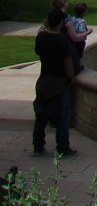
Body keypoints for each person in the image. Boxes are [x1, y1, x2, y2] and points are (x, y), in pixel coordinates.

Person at [32, 8, 77, 158]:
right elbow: (68, 63)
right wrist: (71, 78)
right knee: (62, 116)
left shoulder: (41, 37)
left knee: (41, 114)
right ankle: (62, 147)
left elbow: (39, 53)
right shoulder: (61, 41)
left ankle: (38, 145)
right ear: (60, 23)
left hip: (44, 79)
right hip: (59, 81)